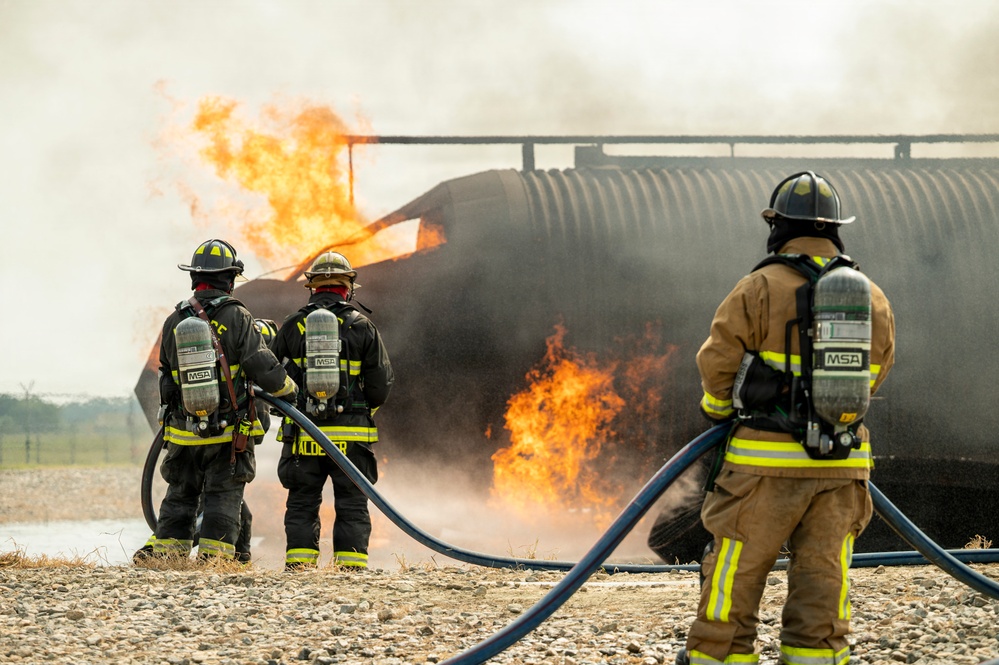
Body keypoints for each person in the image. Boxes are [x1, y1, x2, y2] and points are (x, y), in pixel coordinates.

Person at [676, 172, 895, 665]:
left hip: (763, 469)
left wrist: (718, 413)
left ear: (777, 224)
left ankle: (718, 659)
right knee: (824, 579)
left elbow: (717, 364)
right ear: (836, 228)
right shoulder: (872, 298)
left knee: (737, 572)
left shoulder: (758, 287)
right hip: (842, 468)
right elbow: (874, 377)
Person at [152, 239, 297, 561]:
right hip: (226, 432)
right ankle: (215, 561)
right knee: (222, 494)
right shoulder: (236, 315)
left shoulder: (175, 320)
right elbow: (259, 363)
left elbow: (165, 374)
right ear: (230, 279)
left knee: (180, 494)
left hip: (182, 430)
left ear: (194, 277)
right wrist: (288, 390)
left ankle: (168, 559)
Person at [272, 250, 394, 570]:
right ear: (347, 287)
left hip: (304, 434)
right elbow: (381, 383)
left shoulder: (293, 326)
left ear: (312, 287)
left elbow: (269, 374)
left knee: (301, 504)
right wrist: (362, 412)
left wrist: (289, 406)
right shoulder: (362, 326)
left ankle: (300, 568)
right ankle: (350, 570)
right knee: (352, 503)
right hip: (351, 437)